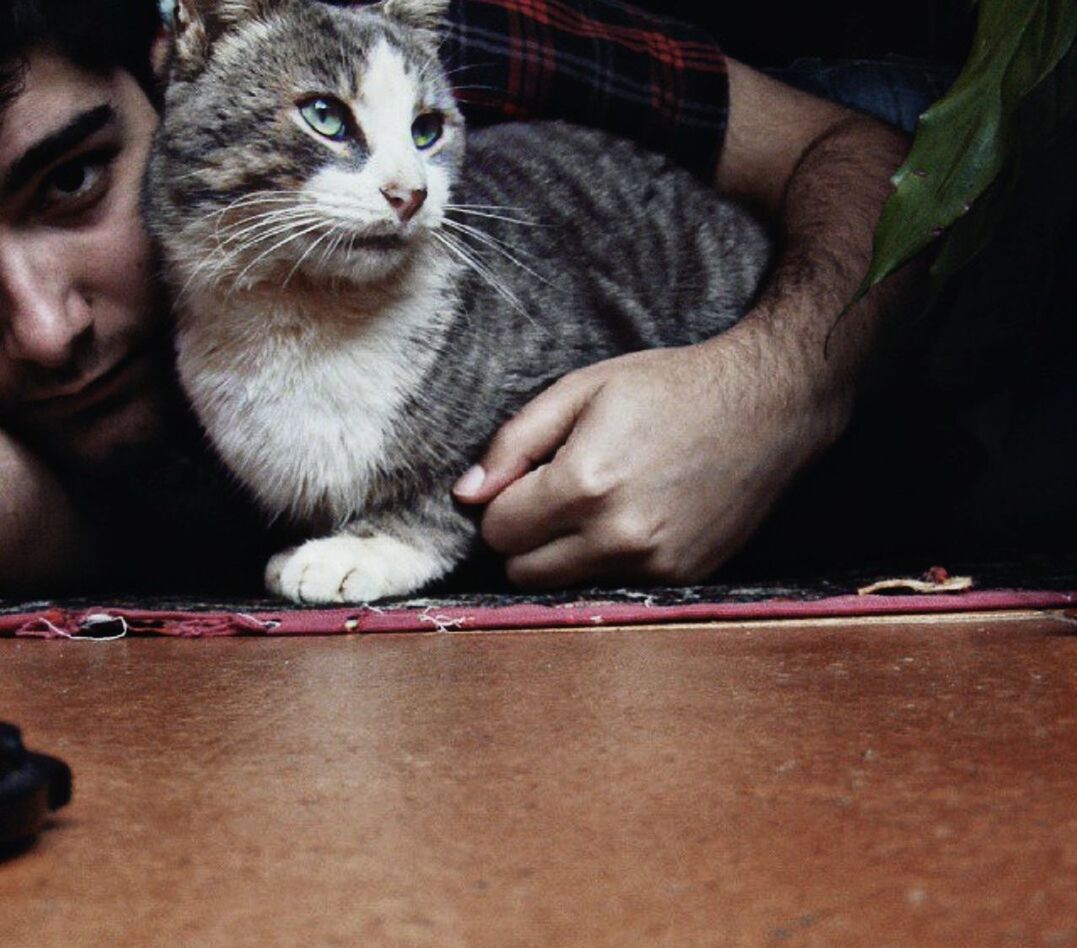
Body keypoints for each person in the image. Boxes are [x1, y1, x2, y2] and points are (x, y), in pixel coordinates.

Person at [0, 0, 915, 598]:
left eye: (73, 180)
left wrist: (770, 391)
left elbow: (875, 158)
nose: (46, 333)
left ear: (169, 51)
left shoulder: (386, 45)